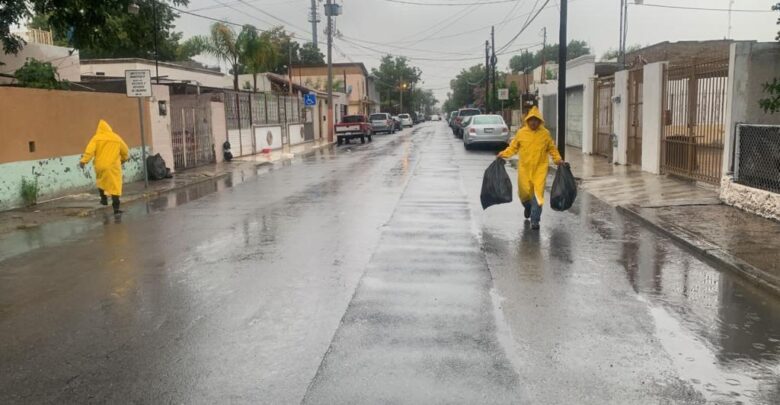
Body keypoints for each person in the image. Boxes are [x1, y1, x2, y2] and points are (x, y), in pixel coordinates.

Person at [497, 106, 563, 230]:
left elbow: (552, 149)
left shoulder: (545, 134)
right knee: (524, 194)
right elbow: (513, 147)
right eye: (531, 120)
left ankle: (535, 220)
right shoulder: (521, 133)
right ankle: (527, 206)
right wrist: (503, 154)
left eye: (536, 120)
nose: (533, 122)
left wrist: (558, 159)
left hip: (540, 170)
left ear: (539, 121)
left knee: (538, 195)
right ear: (527, 120)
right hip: (524, 170)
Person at [79, 120, 129, 215]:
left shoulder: (96, 138)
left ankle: (104, 199)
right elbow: (125, 150)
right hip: (113, 167)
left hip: (100, 165)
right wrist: (124, 159)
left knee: (101, 181)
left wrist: (83, 161)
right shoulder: (116, 137)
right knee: (115, 187)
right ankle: (116, 209)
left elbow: (90, 150)